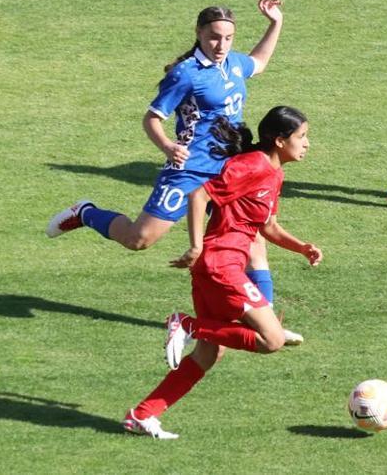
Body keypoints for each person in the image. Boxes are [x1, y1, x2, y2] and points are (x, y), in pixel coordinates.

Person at [46, 0, 304, 343]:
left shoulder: (233, 65)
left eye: (228, 38)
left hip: (230, 167)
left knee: (253, 238)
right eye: (214, 37)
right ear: (199, 33)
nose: (221, 45)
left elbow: (258, 62)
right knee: (140, 239)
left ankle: (269, 323)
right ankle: (86, 213)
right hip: (190, 170)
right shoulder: (186, 74)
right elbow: (152, 118)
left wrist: (276, 23)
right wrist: (168, 146)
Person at [122, 106, 322, 439]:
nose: (307, 143)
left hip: (217, 267)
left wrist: (301, 247)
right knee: (271, 340)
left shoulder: (274, 172)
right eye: (301, 137)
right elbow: (199, 193)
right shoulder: (252, 164)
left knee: (209, 351)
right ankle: (186, 324)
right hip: (220, 265)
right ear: (279, 140)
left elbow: (268, 226)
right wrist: (196, 245)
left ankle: (142, 415)